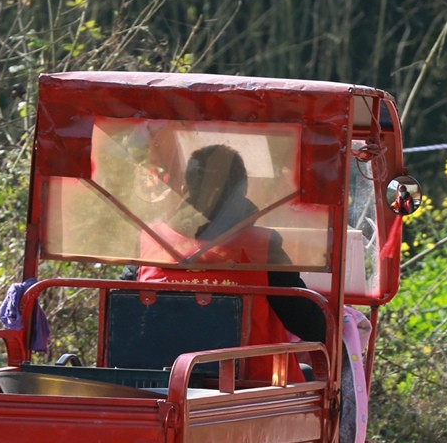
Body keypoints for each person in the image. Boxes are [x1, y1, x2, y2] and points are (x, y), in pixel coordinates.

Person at [137, 145, 325, 381]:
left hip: (156, 382)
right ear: (242, 192)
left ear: (185, 189)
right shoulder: (262, 247)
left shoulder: (150, 243)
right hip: (254, 389)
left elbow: (126, 317)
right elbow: (309, 324)